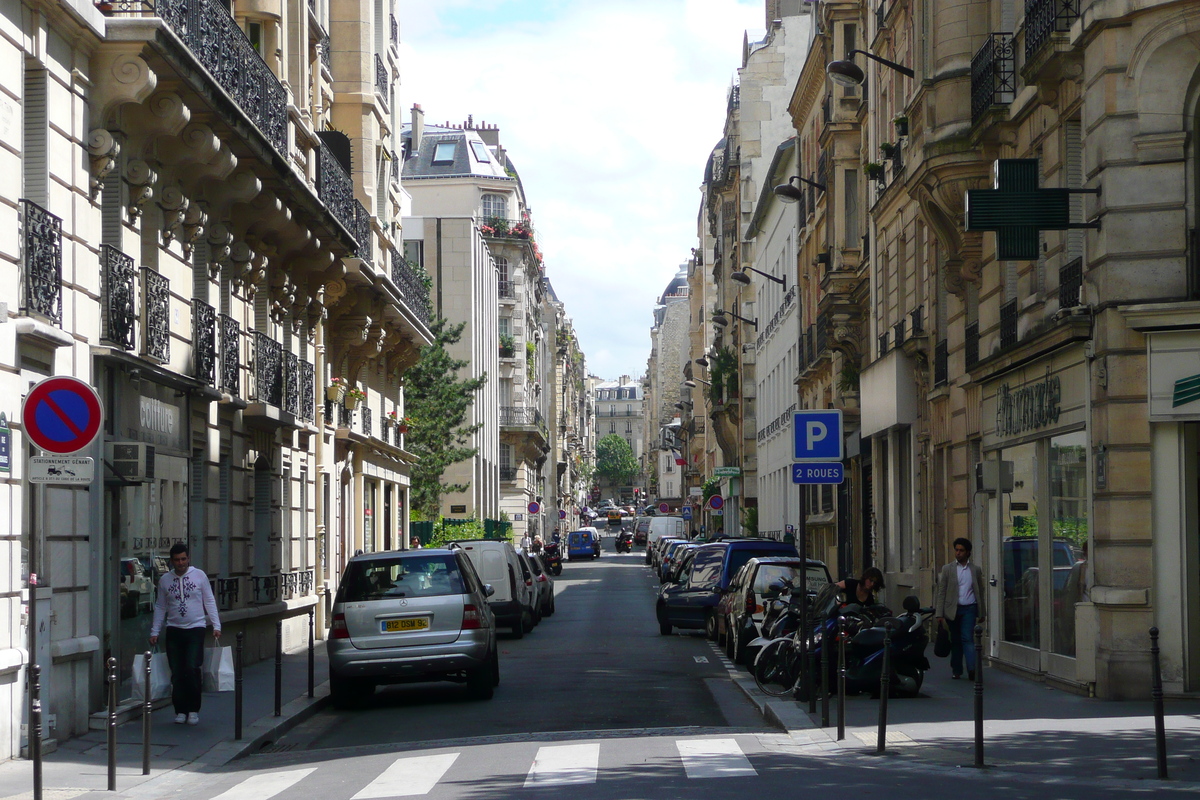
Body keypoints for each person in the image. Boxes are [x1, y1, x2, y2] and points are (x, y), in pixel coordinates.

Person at [149, 543, 221, 726]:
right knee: (177, 672)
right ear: (171, 561)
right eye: (176, 560)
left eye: (183, 559)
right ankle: (180, 710)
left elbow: (209, 600)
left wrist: (216, 625)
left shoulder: (199, 576)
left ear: (188, 558)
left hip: (195, 628)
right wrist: (155, 631)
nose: (180, 563)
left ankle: (193, 709)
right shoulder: (165, 580)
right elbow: (160, 606)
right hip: (174, 630)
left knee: (192, 668)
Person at [934, 537, 987, 681]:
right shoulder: (947, 569)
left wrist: (982, 612)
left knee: (967, 638)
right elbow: (941, 592)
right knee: (956, 640)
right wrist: (939, 613)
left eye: (961, 550)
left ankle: (972, 669)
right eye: (956, 550)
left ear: (968, 552)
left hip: (969, 608)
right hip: (952, 610)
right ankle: (956, 670)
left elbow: (980, 592)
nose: (958, 553)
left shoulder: (975, 570)